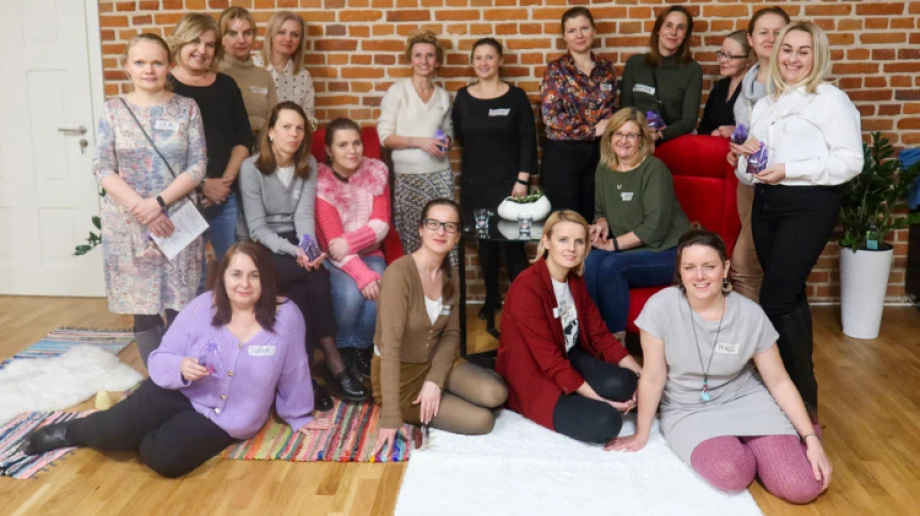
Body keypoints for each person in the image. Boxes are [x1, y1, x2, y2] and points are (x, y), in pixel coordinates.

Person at [22, 241, 334, 478]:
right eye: (236, 274)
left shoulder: (286, 316)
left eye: (254, 276)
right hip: (178, 390)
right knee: (111, 431)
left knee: (163, 459)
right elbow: (161, 358)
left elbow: (295, 370)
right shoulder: (203, 306)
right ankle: (71, 431)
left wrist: (298, 415)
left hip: (226, 419)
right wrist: (180, 367)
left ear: (267, 279)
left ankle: (133, 428)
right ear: (223, 276)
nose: (244, 284)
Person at [608, 230, 831, 504]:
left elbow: (779, 381)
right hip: (687, 407)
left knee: (804, 486)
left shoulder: (750, 314)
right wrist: (641, 434)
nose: (699, 276)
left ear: (725, 268)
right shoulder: (660, 308)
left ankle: (787, 440)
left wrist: (810, 438)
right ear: (680, 271)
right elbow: (653, 377)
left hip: (745, 398)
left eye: (709, 266)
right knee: (731, 473)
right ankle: (748, 448)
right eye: (690, 267)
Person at [731, 22, 863, 423]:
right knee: (790, 297)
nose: (792, 58)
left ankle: (800, 398)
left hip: (808, 206)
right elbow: (749, 172)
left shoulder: (830, 100)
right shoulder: (766, 104)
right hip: (766, 204)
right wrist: (742, 159)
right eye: (786, 49)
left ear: (816, 56)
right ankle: (796, 393)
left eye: (803, 51)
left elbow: (850, 161)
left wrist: (789, 169)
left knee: (776, 298)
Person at [239, 102, 368, 411]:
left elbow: (304, 216)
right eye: (286, 127)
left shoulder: (307, 163)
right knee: (304, 277)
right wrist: (295, 252)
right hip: (260, 244)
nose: (294, 134)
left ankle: (310, 370)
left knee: (316, 278)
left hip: (295, 240)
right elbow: (257, 228)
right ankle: (329, 364)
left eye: (299, 128)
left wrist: (308, 247)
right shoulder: (251, 167)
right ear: (271, 131)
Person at [92, 33, 206, 366]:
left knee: (180, 303)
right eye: (140, 62)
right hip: (128, 223)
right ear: (127, 66)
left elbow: (198, 165)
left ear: (169, 66)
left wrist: (157, 203)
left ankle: (179, 374)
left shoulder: (187, 108)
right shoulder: (113, 111)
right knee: (143, 307)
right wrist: (142, 209)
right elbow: (102, 167)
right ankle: (157, 377)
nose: (149, 70)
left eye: (157, 62)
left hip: (176, 220)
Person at [371, 200, 508, 455]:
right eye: (433, 223)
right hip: (402, 379)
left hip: (437, 361)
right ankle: (443, 395)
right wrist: (390, 415)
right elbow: (389, 348)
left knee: (496, 394)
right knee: (483, 421)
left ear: (457, 237)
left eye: (449, 226)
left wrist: (435, 380)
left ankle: (445, 389)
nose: (440, 231)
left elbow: (451, 334)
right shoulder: (399, 274)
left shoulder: (452, 275)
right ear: (421, 229)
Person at [496, 210, 643, 444]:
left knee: (626, 383)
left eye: (579, 241)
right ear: (546, 241)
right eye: (563, 240)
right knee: (607, 422)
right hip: (533, 374)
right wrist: (603, 401)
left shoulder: (575, 280)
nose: (571, 248)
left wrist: (643, 377)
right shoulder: (527, 287)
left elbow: (600, 336)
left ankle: (578, 393)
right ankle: (577, 397)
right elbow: (550, 361)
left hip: (568, 356)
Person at [583, 108, 691, 335]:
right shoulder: (603, 168)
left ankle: (615, 341)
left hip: (668, 251)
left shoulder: (654, 169)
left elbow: (654, 228)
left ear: (642, 139)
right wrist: (601, 224)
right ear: (609, 136)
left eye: (631, 135)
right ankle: (594, 335)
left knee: (612, 266)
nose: (623, 140)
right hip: (631, 248)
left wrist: (612, 244)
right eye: (618, 133)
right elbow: (600, 210)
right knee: (590, 262)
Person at [452, 37, 537, 320]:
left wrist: (522, 181)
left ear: (500, 60)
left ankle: (525, 303)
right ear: (472, 62)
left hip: (511, 185)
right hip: (476, 185)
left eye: (489, 57)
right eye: (478, 58)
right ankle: (492, 299)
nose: (484, 63)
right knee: (485, 243)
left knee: (514, 246)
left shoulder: (516, 97)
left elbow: (528, 140)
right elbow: (459, 136)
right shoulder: (463, 97)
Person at [168, 13, 251, 269]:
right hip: (180, 198)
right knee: (190, 272)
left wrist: (224, 184)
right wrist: (203, 184)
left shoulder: (226, 85)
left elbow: (243, 139)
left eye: (210, 44)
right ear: (181, 41)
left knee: (231, 266)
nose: (202, 50)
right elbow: (162, 150)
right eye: (195, 41)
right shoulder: (165, 85)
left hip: (224, 196)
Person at [315, 118, 391, 380]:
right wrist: (362, 275)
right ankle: (343, 349)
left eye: (356, 143)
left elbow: (381, 225)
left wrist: (348, 242)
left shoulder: (376, 174)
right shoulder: (322, 184)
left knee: (379, 291)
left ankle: (361, 347)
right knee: (350, 295)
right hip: (334, 258)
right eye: (343, 145)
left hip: (370, 252)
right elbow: (331, 244)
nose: (352, 151)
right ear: (329, 150)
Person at [726, 7, 790, 303]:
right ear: (750, 39)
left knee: (743, 265)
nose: (771, 38)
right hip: (746, 182)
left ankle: (753, 329)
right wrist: (737, 149)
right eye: (763, 32)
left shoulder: (790, 82)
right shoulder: (748, 79)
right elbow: (745, 129)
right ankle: (766, 324)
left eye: (778, 32)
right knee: (759, 261)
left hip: (773, 184)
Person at [377, 29, 455, 258]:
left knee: (443, 238)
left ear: (437, 61)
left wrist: (446, 140)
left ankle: (442, 282)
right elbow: (385, 137)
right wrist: (420, 142)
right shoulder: (397, 92)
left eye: (430, 55)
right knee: (412, 240)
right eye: (418, 55)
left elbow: (449, 130)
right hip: (407, 178)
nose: (424, 61)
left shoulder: (443, 96)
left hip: (440, 177)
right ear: (410, 60)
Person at [540, 7, 618, 222]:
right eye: (572, 30)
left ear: (594, 31)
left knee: (596, 219)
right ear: (564, 37)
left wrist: (608, 125)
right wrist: (591, 130)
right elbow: (551, 116)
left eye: (584, 28)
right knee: (566, 222)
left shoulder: (606, 69)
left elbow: (612, 109)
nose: (579, 35)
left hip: (599, 154)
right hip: (563, 155)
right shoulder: (556, 70)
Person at [620, 5, 702, 143]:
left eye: (680, 27)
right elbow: (625, 111)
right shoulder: (634, 63)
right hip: (637, 141)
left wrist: (659, 134)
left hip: (672, 141)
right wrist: (639, 135)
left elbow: (688, 122)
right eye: (668, 25)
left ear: (686, 35)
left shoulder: (692, 69)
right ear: (658, 29)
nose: (673, 32)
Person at [218, 6, 278, 140]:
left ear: (254, 36)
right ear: (221, 38)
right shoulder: (214, 73)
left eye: (247, 33)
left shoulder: (264, 76)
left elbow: (274, 120)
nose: (241, 40)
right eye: (233, 34)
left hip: (261, 146)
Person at [253, 11, 317, 128]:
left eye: (295, 35)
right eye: (281, 32)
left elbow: (310, 119)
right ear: (271, 36)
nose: (288, 39)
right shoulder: (251, 68)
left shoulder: (303, 76)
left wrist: (310, 127)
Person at [698, 31, 752, 137]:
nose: (722, 60)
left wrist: (736, 130)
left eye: (730, 56)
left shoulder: (753, 89)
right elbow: (703, 127)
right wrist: (713, 133)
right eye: (722, 54)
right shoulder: (720, 86)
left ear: (748, 61)